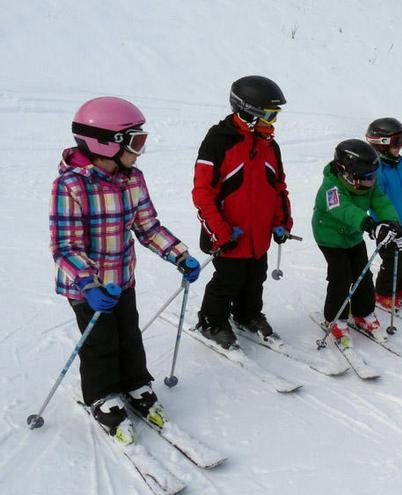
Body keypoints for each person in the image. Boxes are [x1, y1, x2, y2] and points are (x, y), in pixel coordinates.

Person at [51, 97, 201, 445]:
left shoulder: (133, 179)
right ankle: (102, 395)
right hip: (86, 287)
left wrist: (180, 255)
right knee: (101, 341)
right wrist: (88, 283)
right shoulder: (71, 186)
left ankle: (135, 382)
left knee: (129, 334)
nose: (140, 151)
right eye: (135, 142)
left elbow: (147, 226)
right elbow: (65, 246)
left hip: (122, 279)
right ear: (106, 142)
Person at [192, 76, 293, 349]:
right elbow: (203, 193)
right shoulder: (218, 142)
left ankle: (247, 314)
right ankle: (212, 321)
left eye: (275, 115)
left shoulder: (270, 146)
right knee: (228, 280)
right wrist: (219, 231)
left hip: (258, 233)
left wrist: (282, 222)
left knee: (255, 276)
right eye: (269, 115)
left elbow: (278, 188)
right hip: (229, 235)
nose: (273, 122)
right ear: (248, 112)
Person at [312, 139, 402, 347]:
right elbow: (343, 209)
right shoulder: (331, 187)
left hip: (353, 235)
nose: (372, 181)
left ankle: (363, 312)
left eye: (373, 176)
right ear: (348, 174)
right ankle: (335, 317)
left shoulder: (367, 183)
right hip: (330, 236)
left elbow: (380, 200)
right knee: (341, 276)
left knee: (363, 273)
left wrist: (391, 223)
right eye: (367, 178)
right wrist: (369, 224)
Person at [365, 118, 402, 308]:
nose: (400, 146)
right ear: (381, 144)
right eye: (396, 142)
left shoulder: (400, 162)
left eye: (401, 140)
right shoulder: (376, 169)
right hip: (389, 225)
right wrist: (382, 223)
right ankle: (383, 291)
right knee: (393, 260)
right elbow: (375, 200)